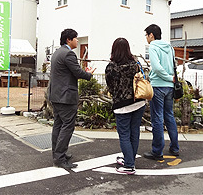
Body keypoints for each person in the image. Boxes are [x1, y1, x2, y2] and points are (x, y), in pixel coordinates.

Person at [49, 28, 95, 169]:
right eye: (76, 38)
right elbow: (77, 72)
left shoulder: (57, 52)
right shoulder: (69, 54)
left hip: (56, 95)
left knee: (58, 125)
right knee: (67, 126)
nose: (77, 40)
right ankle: (60, 158)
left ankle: (57, 154)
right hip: (66, 97)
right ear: (69, 40)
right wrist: (88, 74)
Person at [105, 38, 146, 175]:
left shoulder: (111, 67)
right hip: (139, 101)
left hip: (122, 105)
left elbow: (110, 87)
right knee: (134, 132)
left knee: (124, 134)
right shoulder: (135, 64)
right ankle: (130, 159)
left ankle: (129, 165)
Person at [143, 24, 179, 160]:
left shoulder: (153, 46)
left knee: (157, 118)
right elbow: (173, 65)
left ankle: (157, 151)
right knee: (169, 115)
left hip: (158, 85)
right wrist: (171, 79)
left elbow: (157, 68)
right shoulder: (169, 47)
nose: (146, 38)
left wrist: (167, 77)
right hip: (170, 86)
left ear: (151, 35)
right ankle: (174, 148)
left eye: (146, 35)